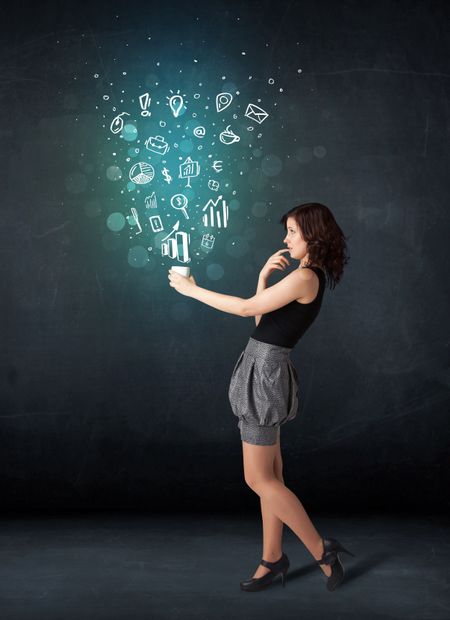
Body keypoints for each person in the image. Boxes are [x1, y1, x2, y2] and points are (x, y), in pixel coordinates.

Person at [168, 202, 354, 592]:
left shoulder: (306, 277)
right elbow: (263, 322)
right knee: (272, 476)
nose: (285, 239)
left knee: (258, 479)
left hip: (264, 375)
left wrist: (191, 290)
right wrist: (261, 279)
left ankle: (323, 549)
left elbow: (245, 310)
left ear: (313, 235)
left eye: (292, 232)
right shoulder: (304, 277)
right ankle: (273, 559)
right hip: (265, 370)